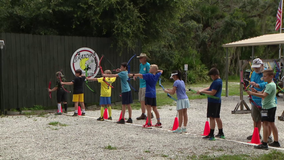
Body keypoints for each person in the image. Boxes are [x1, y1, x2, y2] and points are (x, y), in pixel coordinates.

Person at [246, 69, 280, 149]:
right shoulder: (269, 85)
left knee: (265, 124)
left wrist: (252, 93)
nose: (263, 78)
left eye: (265, 76)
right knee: (271, 124)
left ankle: (264, 143)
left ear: (271, 76)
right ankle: (276, 141)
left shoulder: (270, 85)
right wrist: (256, 91)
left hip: (268, 107)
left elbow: (264, 95)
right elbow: (262, 93)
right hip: (270, 106)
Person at [247, 58, 273, 143]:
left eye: (258, 67)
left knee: (266, 121)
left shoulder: (266, 73)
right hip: (255, 99)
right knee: (255, 118)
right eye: (255, 68)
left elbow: (267, 84)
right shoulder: (254, 73)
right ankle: (256, 134)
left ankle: (268, 136)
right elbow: (252, 83)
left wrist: (257, 85)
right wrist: (251, 94)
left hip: (264, 101)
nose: (256, 69)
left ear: (262, 65)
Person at [130, 64, 163, 128]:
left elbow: (141, 75)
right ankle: (158, 122)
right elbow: (161, 71)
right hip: (153, 94)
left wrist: (133, 75)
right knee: (155, 108)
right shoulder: (156, 75)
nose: (149, 69)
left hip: (148, 93)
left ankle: (149, 123)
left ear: (153, 70)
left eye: (150, 68)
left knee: (148, 109)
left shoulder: (148, 75)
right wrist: (156, 71)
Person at [198, 68, 224, 141]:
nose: (211, 77)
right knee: (217, 117)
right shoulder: (217, 81)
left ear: (216, 75)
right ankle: (221, 132)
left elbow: (212, 92)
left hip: (213, 101)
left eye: (212, 76)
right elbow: (209, 87)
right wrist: (202, 90)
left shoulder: (217, 82)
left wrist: (203, 92)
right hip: (217, 101)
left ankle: (211, 134)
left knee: (211, 117)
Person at [136, 53, 154, 120]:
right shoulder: (141, 65)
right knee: (141, 100)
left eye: (141, 58)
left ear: (144, 58)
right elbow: (140, 73)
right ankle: (143, 113)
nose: (140, 59)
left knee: (144, 100)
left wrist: (140, 75)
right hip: (141, 84)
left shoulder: (147, 65)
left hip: (145, 84)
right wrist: (136, 76)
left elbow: (148, 74)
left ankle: (150, 113)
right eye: (139, 58)